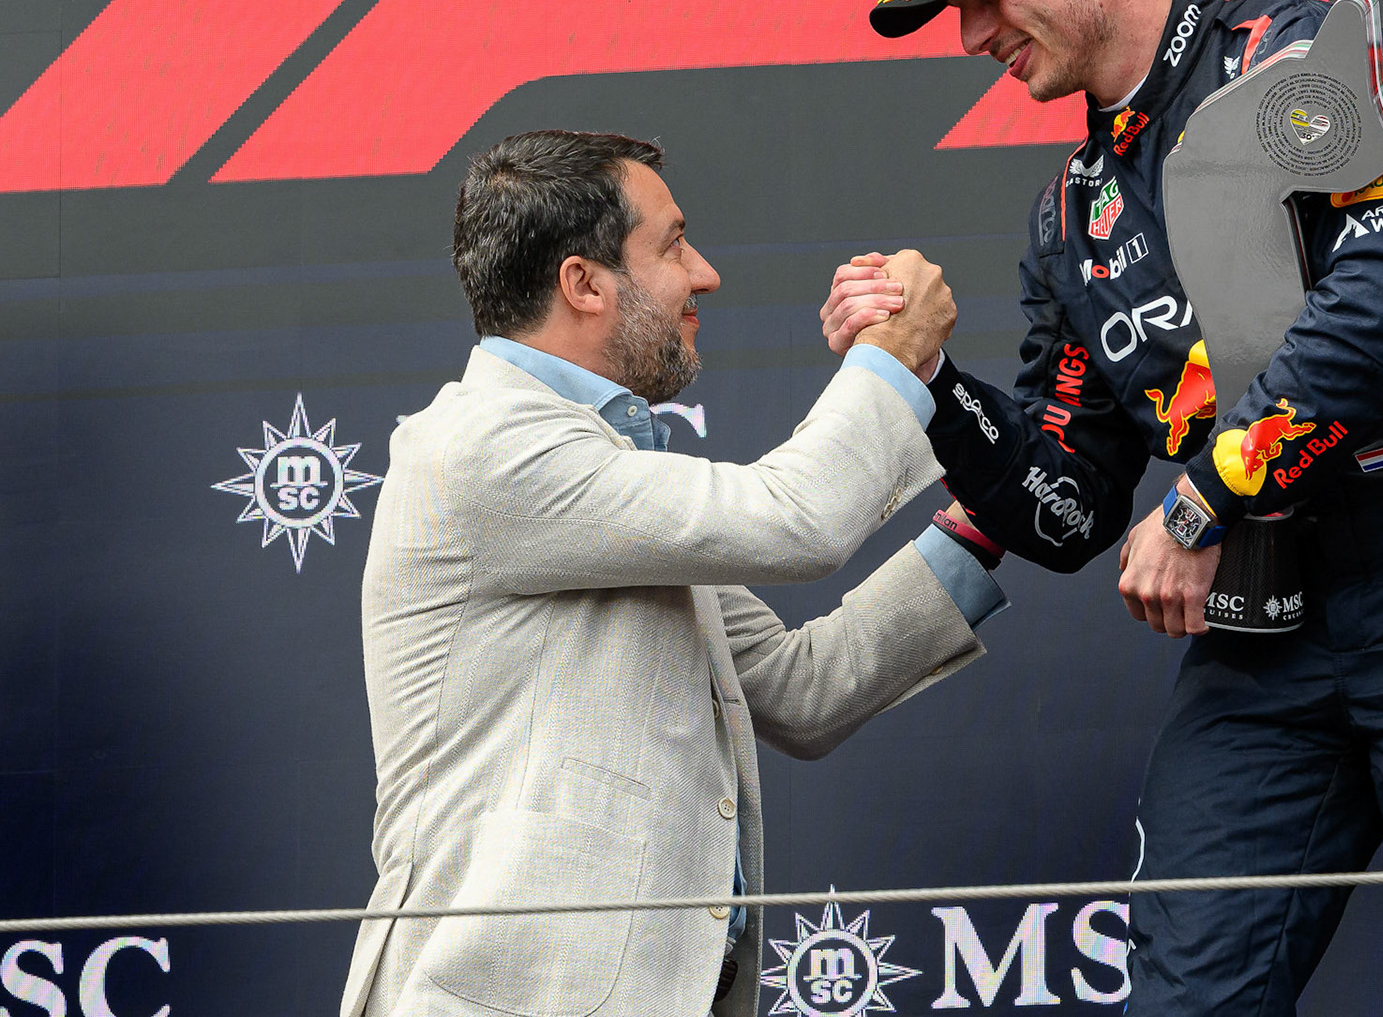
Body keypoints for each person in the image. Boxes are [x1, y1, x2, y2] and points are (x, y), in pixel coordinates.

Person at [827, 0, 1383, 1014]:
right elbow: (1070, 500)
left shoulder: (1300, 64)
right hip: (1264, 630)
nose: (974, 35)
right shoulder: (1071, 220)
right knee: (1188, 998)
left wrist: (1202, 499)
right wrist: (931, 383)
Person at [343, 130, 1007, 1017]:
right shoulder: (485, 445)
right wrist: (892, 354)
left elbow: (800, 689)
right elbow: (796, 519)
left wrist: (984, 525)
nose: (704, 275)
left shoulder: (598, 476)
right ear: (584, 284)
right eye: (672, 245)